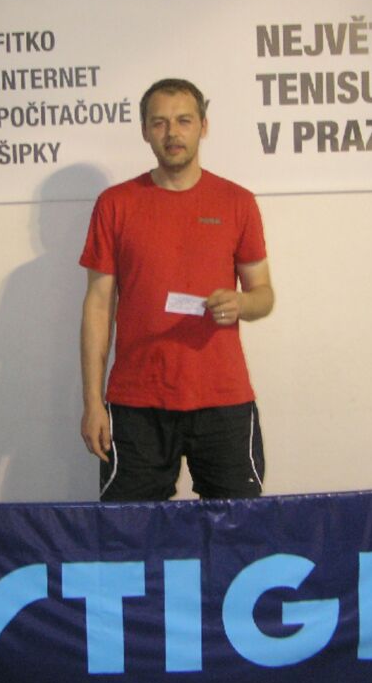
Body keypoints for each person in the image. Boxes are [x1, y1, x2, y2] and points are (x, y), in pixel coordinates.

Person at [79, 78, 274, 501]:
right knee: (130, 533)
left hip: (223, 398)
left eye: (184, 120)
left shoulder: (237, 202)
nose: (172, 133)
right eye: (160, 123)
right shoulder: (115, 204)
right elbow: (97, 306)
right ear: (145, 131)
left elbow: (264, 296)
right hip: (136, 401)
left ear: (203, 125)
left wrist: (241, 302)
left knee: (237, 530)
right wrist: (93, 403)